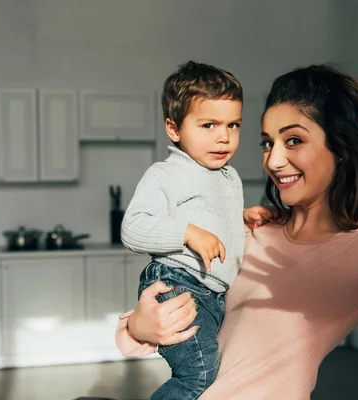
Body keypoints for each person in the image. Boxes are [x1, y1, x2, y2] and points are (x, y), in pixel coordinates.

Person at [116, 53, 358, 399]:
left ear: (340, 147)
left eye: (294, 140)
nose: (274, 161)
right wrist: (138, 327)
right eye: (267, 143)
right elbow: (193, 316)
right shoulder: (250, 229)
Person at [119, 61, 273, 399]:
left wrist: (240, 219)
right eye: (209, 125)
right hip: (178, 284)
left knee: (212, 374)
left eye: (233, 125)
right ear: (174, 129)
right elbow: (133, 228)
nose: (223, 136)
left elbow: (211, 217)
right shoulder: (167, 173)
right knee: (198, 375)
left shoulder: (228, 176)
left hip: (212, 296)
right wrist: (188, 232)